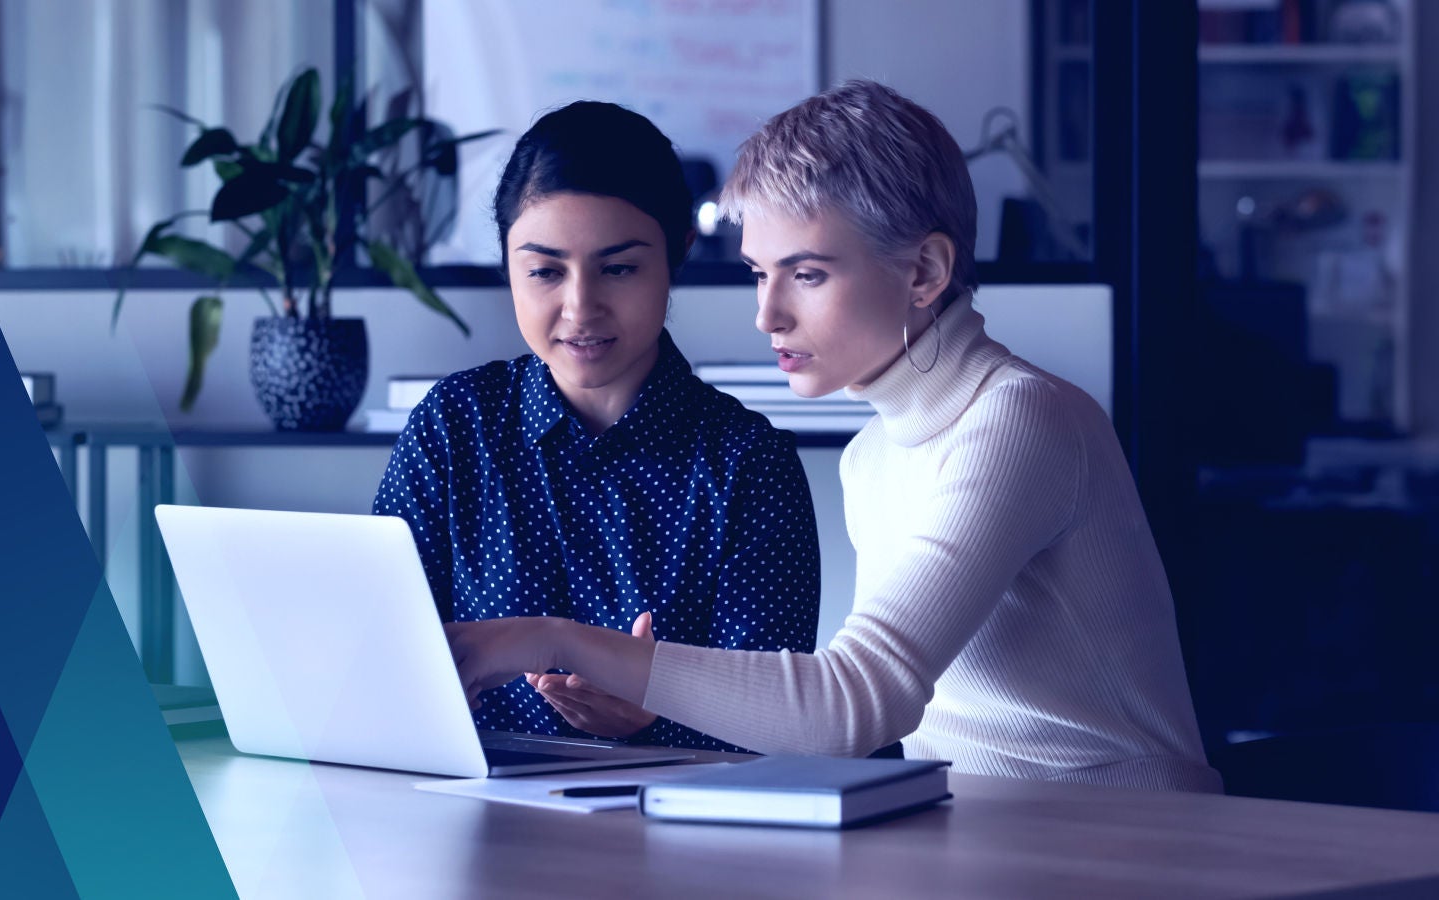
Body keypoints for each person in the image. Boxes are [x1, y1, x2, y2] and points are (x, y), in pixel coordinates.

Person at [444, 81, 1223, 791]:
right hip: (970, 834)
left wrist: (553, 640)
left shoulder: (1022, 420)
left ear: (924, 272)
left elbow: (853, 706)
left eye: (807, 274)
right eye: (759, 273)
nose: (768, 314)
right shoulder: (873, 457)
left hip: (1121, 840)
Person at [373, 101, 822, 752]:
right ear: (507, 264)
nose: (580, 307)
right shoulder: (453, 429)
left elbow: (780, 725)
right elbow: (380, 656)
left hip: (681, 836)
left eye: (618, 268)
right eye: (545, 271)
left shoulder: (748, 466)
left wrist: (655, 720)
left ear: (678, 256)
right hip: (470, 821)